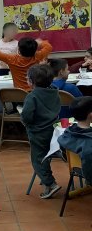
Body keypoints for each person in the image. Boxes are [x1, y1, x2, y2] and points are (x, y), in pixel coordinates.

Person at [20, 64, 62, 199]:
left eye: (27, 78)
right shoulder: (55, 92)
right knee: (45, 156)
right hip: (54, 130)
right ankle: (45, 179)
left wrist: (26, 122)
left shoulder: (32, 96)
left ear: (32, 82)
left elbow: (26, 115)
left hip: (37, 131)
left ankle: (51, 183)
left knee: (38, 159)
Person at [58, 96, 92, 185]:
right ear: (90, 115)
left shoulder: (66, 134)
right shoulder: (88, 142)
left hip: (75, 167)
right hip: (88, 173)